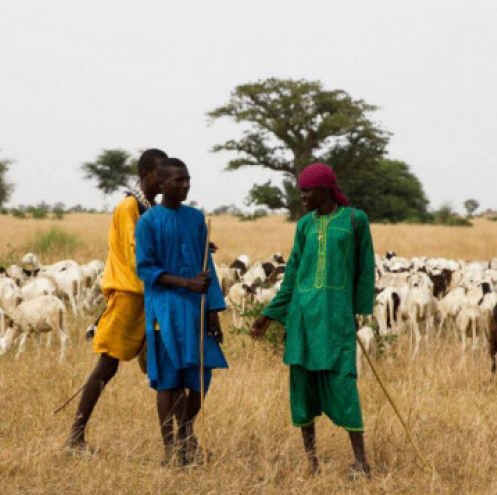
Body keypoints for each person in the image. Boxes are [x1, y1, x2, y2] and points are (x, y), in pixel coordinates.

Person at [250, 162, 376, 478]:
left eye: (308, 190)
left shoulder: (353, 220)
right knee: (302, 385)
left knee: (343, 382)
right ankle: (312, 461)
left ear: (326, 189)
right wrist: (269, 314)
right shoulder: (305, 225)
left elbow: (365, 267)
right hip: (302, 318)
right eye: (301, 190)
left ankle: (361, 463)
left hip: (336, 318)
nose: (303, 196)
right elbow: (292, 271)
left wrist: (361, 312)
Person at [65, 148, 168, 453]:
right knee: (107, 365)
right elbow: (138, 253)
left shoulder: (150, 207)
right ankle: (75, 437)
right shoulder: (129, 207)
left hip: (150, 294)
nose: (165, 180)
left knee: (166, 369)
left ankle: (179, 443)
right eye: (160, 174)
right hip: (129, 294)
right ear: (146, 175)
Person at [134, 158, 227, 466]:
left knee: (201, 376)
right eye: (179, 181)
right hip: (165, 312)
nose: (185, 185)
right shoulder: (147, 222)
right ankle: (170, 448)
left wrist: (213, 310)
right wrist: (186, 283)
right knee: (168, 382)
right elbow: (146, 270)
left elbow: (206, 265)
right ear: (162, 185)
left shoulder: (196, 218)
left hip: (196, 310)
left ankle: (186, 431)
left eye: (188, 179)